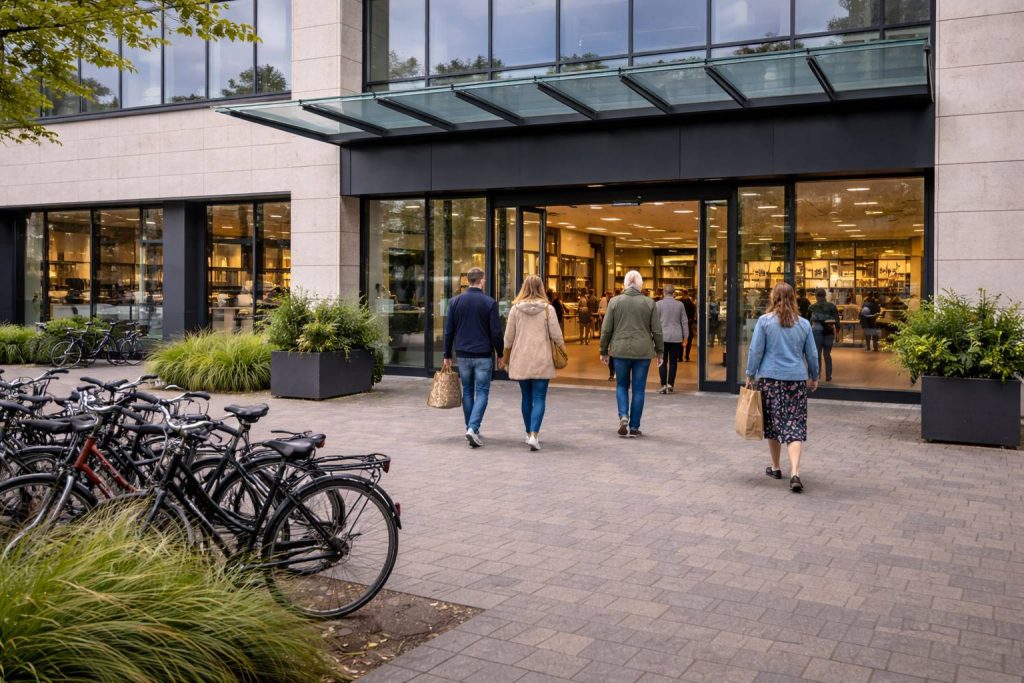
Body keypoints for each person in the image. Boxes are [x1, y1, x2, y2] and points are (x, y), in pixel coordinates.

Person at [745, 282, 819, 493]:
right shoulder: (804, 324)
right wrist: (814, 375)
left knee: (773, 423)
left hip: (771, 380)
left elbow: (756, 351)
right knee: (794, 425)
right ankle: (795, 472)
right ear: (794, 298)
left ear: (773, 297)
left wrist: (751, 374)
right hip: (796, 380)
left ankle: (776, 467)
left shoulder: (765, 321)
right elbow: (812, 354)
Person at [502, 275, 566, 451]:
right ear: (541, 288)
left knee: (526, 398)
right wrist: (563, 349)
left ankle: (527, 433)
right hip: (542, 359)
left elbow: (508, 337)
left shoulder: (515, 309)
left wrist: (505, 356)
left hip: (521, 359)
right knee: (539, 398)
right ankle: (534, 434)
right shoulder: (548, 309)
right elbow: (556, 335)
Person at [443, 267, 504, 448]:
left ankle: (471, 428)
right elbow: (496, 332)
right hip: (483, 355)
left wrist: (447, 354)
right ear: (481, 281)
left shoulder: (455, 302)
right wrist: (500, 353)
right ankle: (472, 427)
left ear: (468, 280)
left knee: (468, 391)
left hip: (462, 354)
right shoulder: (489, 302)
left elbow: (449, 331)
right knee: (483, 391)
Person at [600, 271, 664, 438]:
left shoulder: (614, 302)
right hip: (642, 352)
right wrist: (660, 352)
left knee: (621, 385)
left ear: (625, 284)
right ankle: (634, 426)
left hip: (620, 350)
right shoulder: (650, 303)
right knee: (638, 389)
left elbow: (606, 329)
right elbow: (657, 330)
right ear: (641, 285)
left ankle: (623, 416)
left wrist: (603, 350)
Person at [655, 284, 688, 394]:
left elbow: (654, 323)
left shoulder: (658, 304)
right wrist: (686, 338)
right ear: (674, 293)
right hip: (676, 337)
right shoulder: (680, 305)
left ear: (663, 292)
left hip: (662, 337)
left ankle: (663, 385)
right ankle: (670, 385)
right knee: (673, 362)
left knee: (662, 361)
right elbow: (684, 322)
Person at [808, 288, 839, 383]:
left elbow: (808, 322)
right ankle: (828, 376)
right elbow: (837, 321)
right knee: (827, 354)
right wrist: (837, 332)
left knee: (817, 354)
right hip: (829, 332)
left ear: (816, 296)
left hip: (816, 331)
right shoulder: (832, 306)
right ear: (825, 295)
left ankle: (817, 375)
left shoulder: (812, 307)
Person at [680, 288, 697, 362]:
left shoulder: (679, 302)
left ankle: (680, 357)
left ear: (682, 294)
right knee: (689, 341)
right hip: (689, 323)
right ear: (688, 294)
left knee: (680, 340)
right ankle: (687, 356)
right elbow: (694, 315)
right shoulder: (691, 303)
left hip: (680, 324)